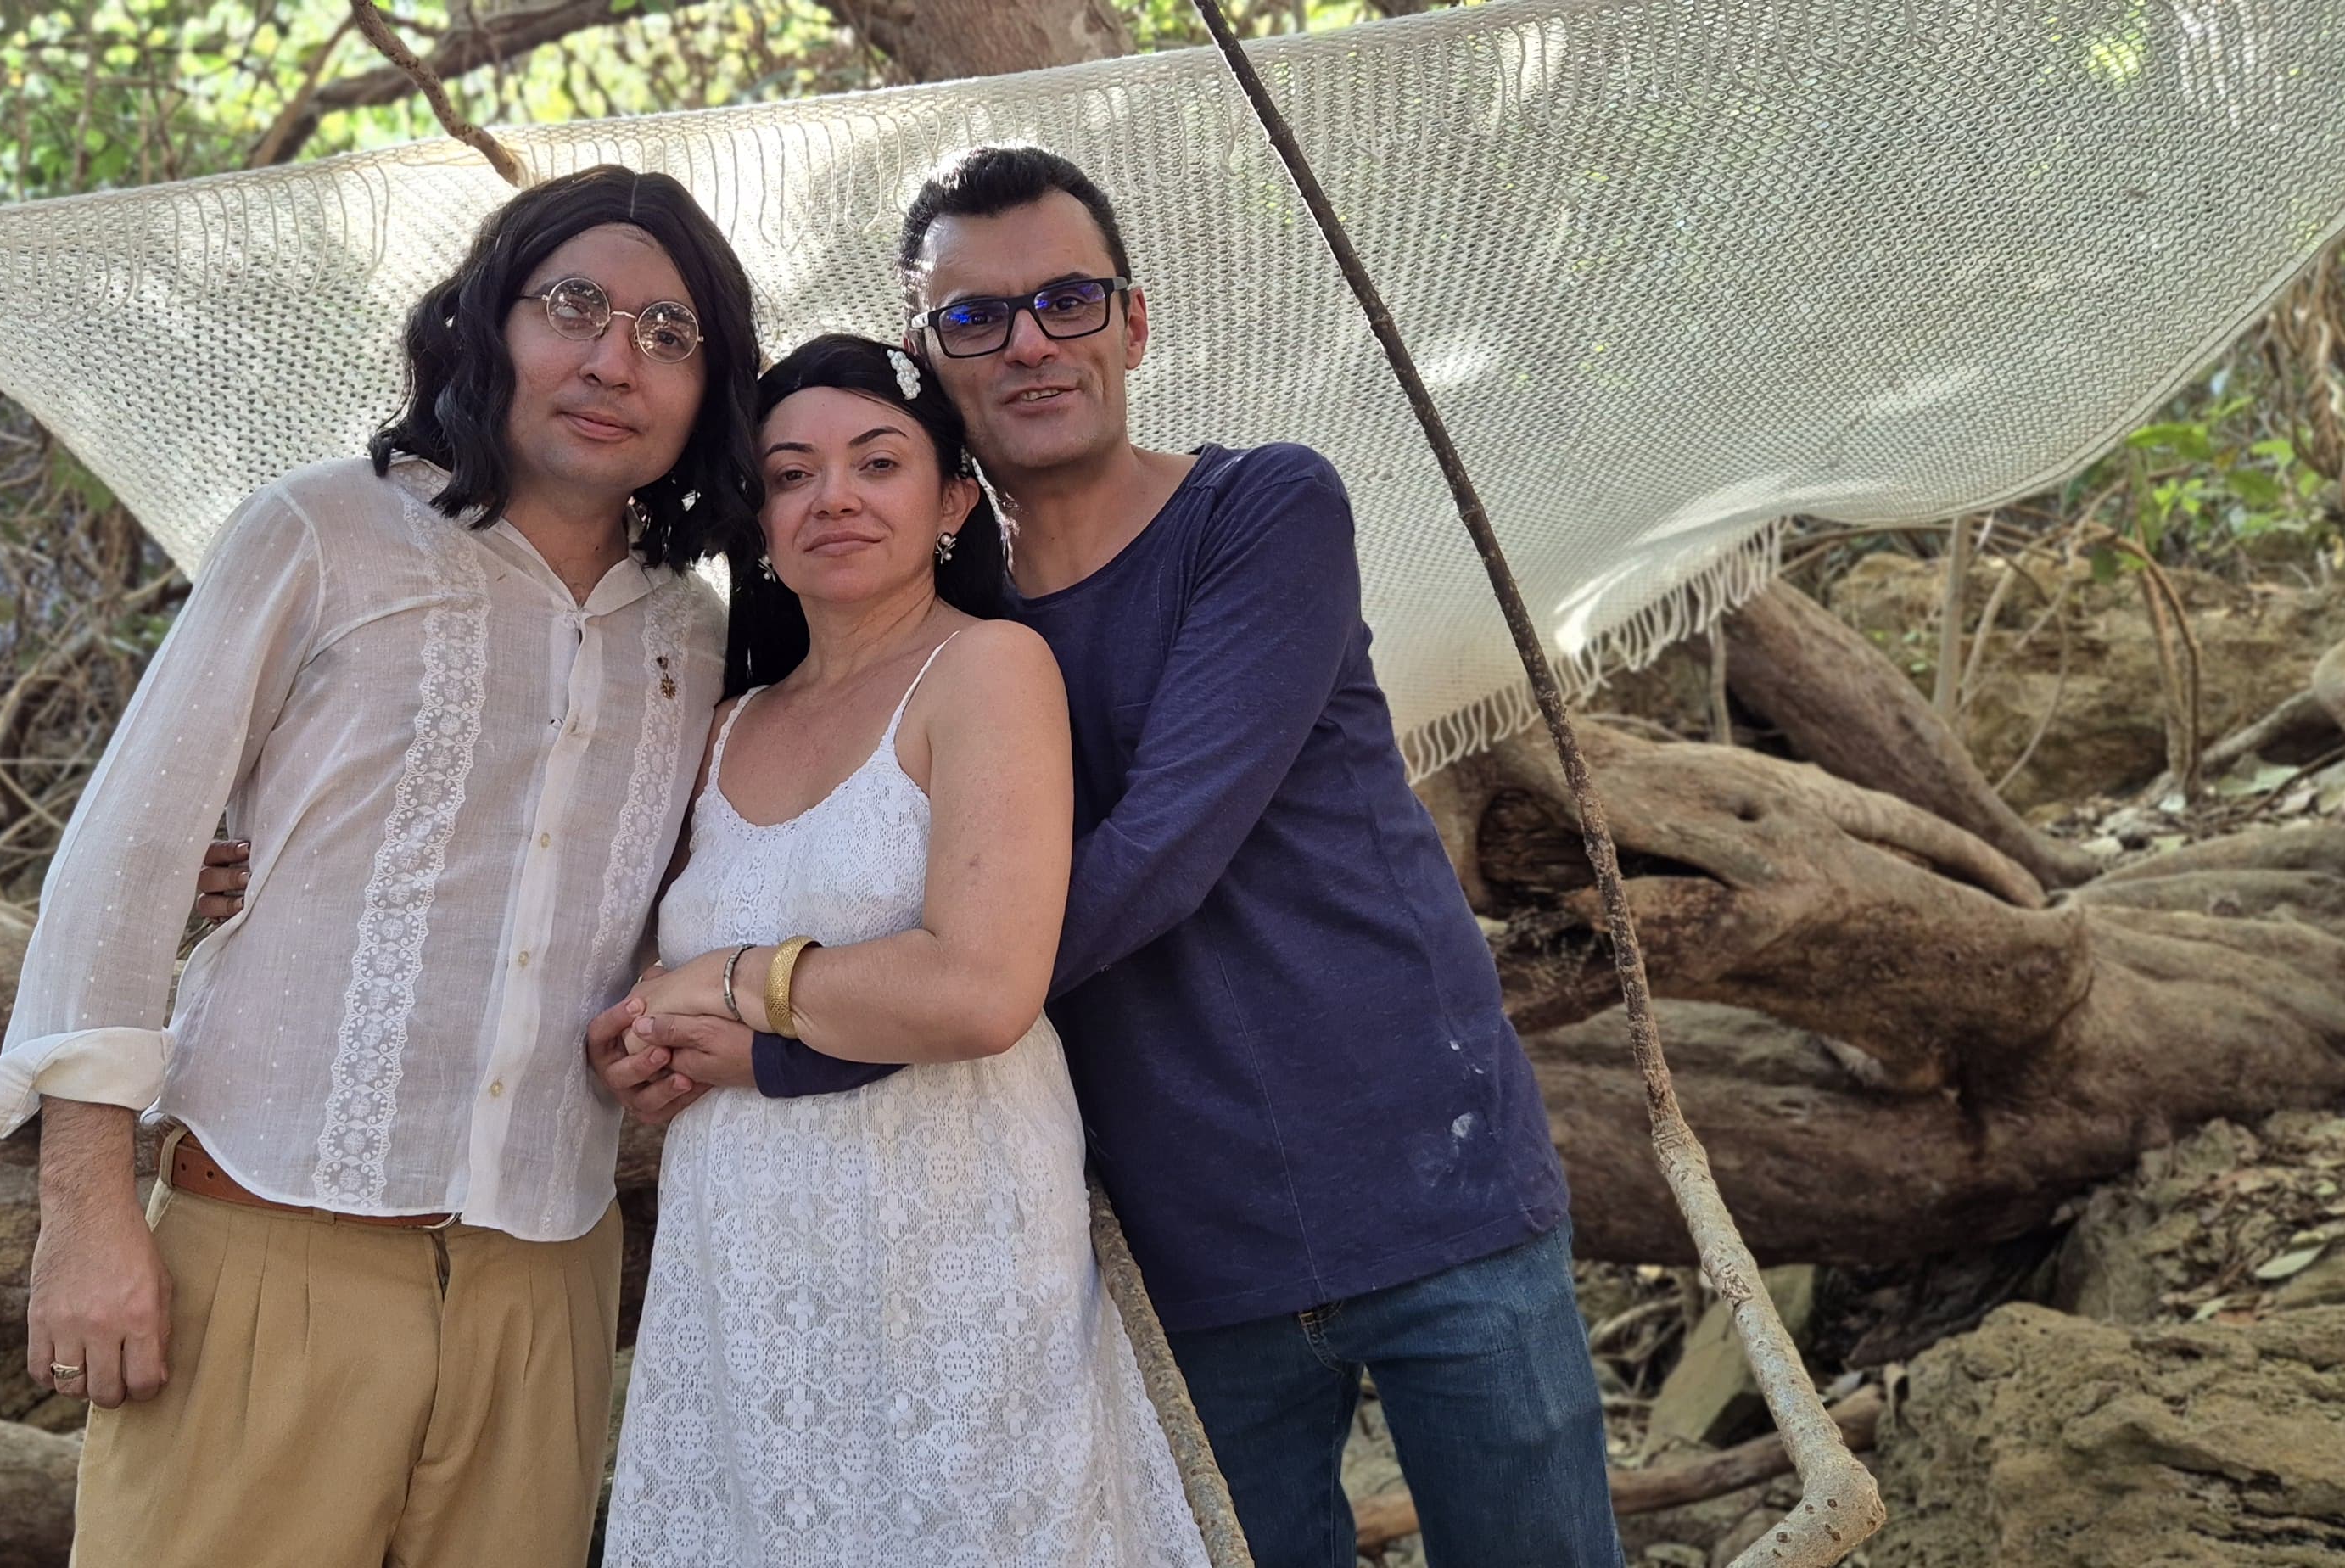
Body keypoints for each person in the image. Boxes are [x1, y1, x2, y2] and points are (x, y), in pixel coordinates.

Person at [594, 148, 1623, 1566]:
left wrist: (785, 1037)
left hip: (1424, 1178)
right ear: (927, 360)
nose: (1028, 342)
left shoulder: (1259, 514)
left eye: (1068, 300)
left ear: (1133, 326)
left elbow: (1151, 860)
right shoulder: (938, 636)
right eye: (975, 317)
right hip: (1177, 1236)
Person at [0, 165, 759, 1568]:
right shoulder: (321, 534)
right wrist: (84, 1215)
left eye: (669, 334)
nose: (614, 361)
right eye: (574, 307)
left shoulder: (699, 634)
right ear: (488, 323)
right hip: (266, 1248)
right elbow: (127, 862)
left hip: (547, 1280)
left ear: (709, 390)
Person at [594, 334, 1210, 1566]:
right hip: (738, 1252)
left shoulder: (987, 669)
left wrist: (729, 983)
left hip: (950, 1237)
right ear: (759, 520)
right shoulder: (721, 724)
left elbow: (978, 989)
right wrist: (638, 1043)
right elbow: (637, 975)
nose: (834, 498)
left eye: (878, 463)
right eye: (791, 474)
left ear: (954, 503)